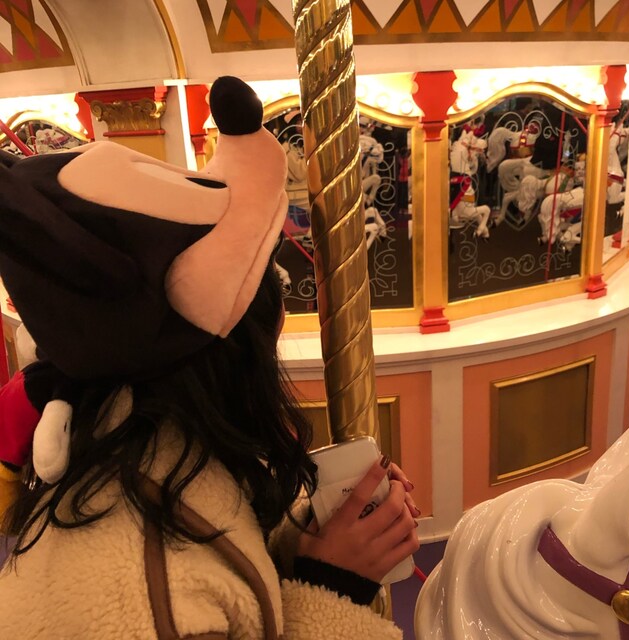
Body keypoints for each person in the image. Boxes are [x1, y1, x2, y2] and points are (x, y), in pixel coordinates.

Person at [0, 76, 418, 638]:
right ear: (239, 339)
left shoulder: (135, 433)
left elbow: (221, 545)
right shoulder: (141, 599)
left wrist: (306, 542)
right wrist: (332, 590)